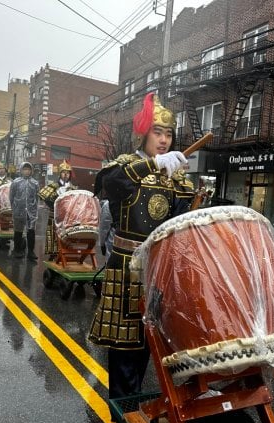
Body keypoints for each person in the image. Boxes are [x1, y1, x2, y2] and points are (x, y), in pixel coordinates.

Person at [89, 93, 194, 402]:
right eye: (157, 133)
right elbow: (109, 186)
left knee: (152, 343)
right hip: (125, 268)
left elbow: (180, 223)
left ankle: (137, 413)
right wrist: (152, 165)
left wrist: (191, 195)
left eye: (168, 134)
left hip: (158, 269)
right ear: (145, 134)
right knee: (124, 347)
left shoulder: (174, 177)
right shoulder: (126, 165)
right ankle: (122, 418)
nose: (163, 140)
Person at [38, 160, 76, 259]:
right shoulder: (53, 186)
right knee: (53, 233)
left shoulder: (73, 188)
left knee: (67, 234)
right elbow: (43, 197)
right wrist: (52, 204)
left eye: (68, 173)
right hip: (54, 214)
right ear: (60, 173)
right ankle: (52, 253)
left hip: (67, 217)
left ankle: (64, 253)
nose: (66, 175)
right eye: (64, 172)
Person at [9, 162, 39, 260]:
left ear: (31, 171)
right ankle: (17, 250)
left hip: (31, 212)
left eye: (29, 169)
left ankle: (30, 252)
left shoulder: (35, 183)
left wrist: (34, 209)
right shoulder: (16, 182)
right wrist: (14, 208)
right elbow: (11, 197)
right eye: (25, 169)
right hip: (18, 210)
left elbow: (37, 197)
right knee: (18, 231)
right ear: (21, 170)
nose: (27, 171)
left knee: (31, 231)